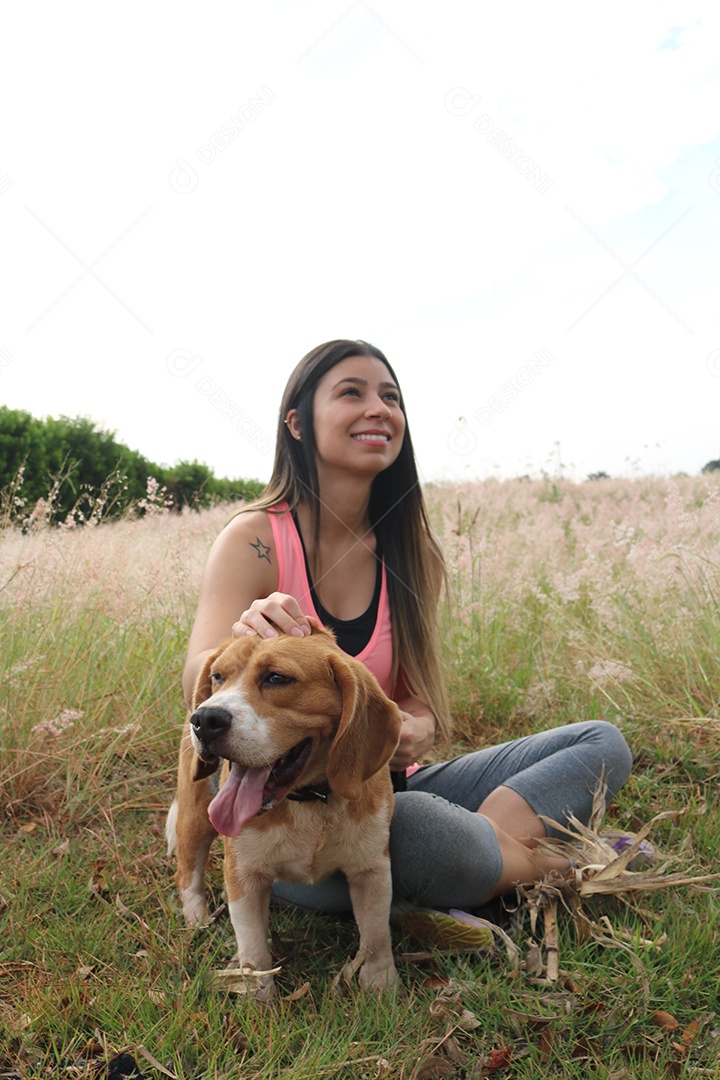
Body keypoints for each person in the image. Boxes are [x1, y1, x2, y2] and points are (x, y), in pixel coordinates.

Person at [180, 338, 632, 936]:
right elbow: (197, 687)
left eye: (390, 397)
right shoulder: (254, 538)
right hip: (286, 814)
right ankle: (549, 864)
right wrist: (247, 626)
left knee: (602, 743)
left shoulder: (409, 554)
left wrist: (414, 727)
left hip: (380, 786)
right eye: (351, 393)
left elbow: (417, 703)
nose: (379, 409)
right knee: (421, 834)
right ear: (296, 422)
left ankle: (486, 858)